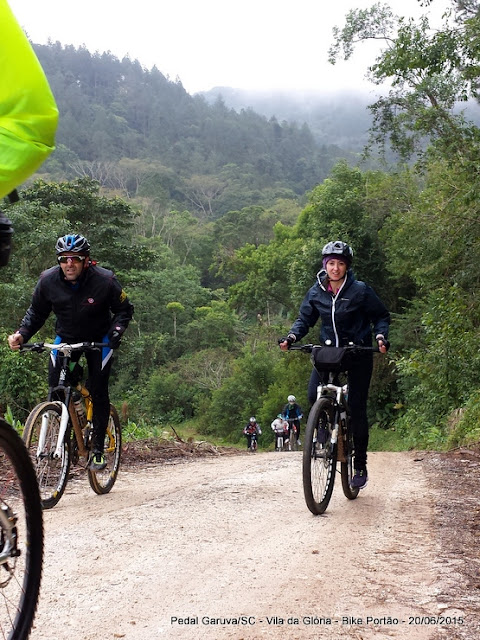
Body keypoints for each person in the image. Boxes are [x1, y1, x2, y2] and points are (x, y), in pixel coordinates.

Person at [8, 233, 134, 470]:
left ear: (86, 260)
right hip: (66, 339)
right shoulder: (48, 281)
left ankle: (97, 450)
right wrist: (21, 334)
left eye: (75, 258)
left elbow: (124, 309)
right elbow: (36, 313)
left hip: (99, 341)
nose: (69, 264)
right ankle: (66, 432)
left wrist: (115, 334)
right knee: (56, 386)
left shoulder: (105, 280)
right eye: (64, 259)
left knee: (98, 389)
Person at [279, 240, 390, 489]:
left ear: (347, 266)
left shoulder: (360, 290)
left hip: (358, 352)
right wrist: (291, 337)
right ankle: (323, 424)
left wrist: (381, 337)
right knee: (313, 394)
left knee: (357, 407)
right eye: (331, 263)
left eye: (340, 263)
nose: (335, 268)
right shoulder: (316, 291)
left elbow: (380, 316)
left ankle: (359, 464)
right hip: (329, 354)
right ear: (325, 265)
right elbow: (304, 319)